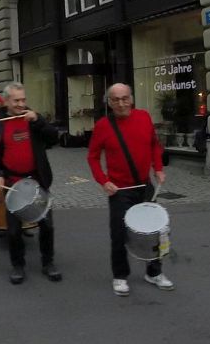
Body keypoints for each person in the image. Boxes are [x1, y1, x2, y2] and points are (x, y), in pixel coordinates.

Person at [87, 83, 174, 297]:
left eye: (124, 98)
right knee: (118, 235)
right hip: (119, 190)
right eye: (115, 99)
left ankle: (154, 273)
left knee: (155, 232)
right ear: (109, 102)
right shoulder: (103, 126)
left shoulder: (144, 117)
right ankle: (120, 276)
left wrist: (159, 168)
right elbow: (93, 157)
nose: (121, 103)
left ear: (131, 99)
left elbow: (154, 145)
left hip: (144, 186)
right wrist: (103, 181)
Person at [0, 82, 62, 285]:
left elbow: (53, 139)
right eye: (16, 101)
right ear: (6, 101)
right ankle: (18, 265)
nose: (21, 104)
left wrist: (39, 121)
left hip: (36, 180)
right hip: (12, 183)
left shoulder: (32, 120)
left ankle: (48, 262)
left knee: (47, 224)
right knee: (14, 230)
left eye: (23, 100)